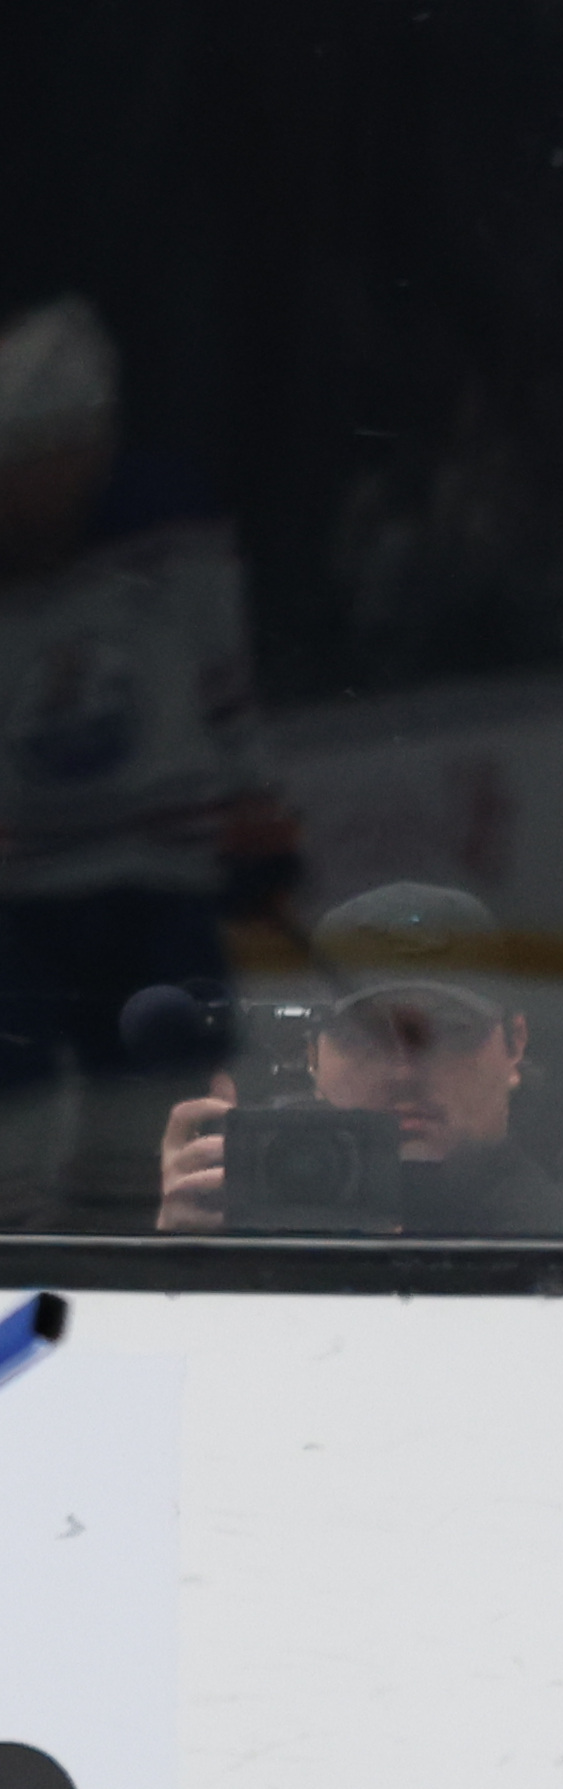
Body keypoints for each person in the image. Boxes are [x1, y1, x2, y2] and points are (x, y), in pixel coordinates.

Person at [0, 294, 288, 1230]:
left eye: (59, 452)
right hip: (23, 895)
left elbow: (224, 684)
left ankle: (130, 1265)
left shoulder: (169, 533)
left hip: (153, 883)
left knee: (151, 1119)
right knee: (18, 1128)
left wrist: (254, 813)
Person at [156, 882, 563, 1236]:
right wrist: (182, 1272)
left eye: (450, 1032)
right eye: (365, 1037)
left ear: (514, 1045)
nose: (404, 1071)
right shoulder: (247, 1237)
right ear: (312, 1056)